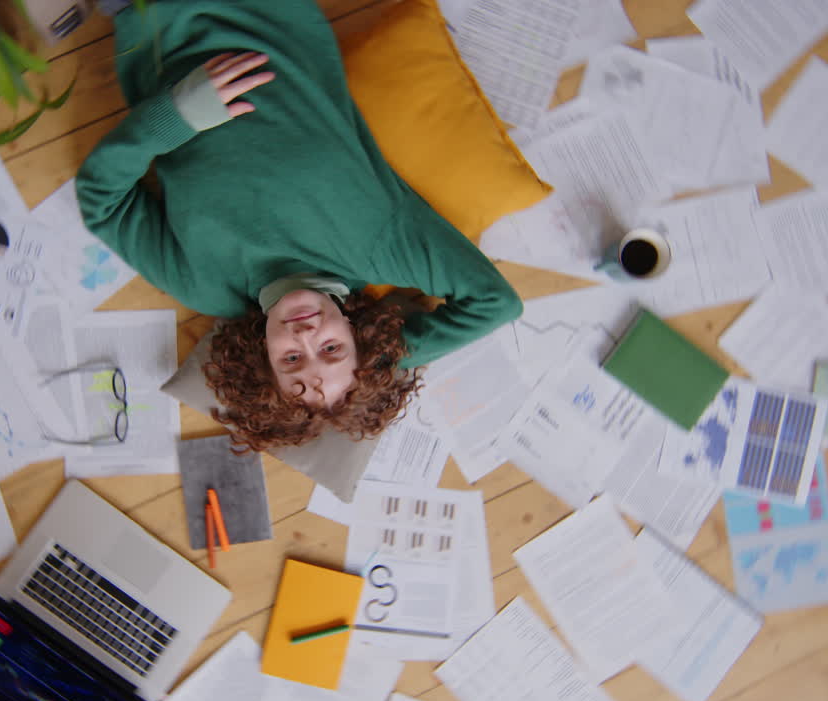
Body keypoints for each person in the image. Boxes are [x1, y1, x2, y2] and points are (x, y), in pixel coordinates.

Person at [76, 0, 522, 451]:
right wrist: (375, 365)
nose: (307, 337)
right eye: (331, 350)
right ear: (354, 338)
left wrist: (175, 117)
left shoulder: (203, 284)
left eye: (291, 359)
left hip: (156, 22)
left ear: (262, 358)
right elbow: (495, 303)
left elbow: (101, 202)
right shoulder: (383, 244)